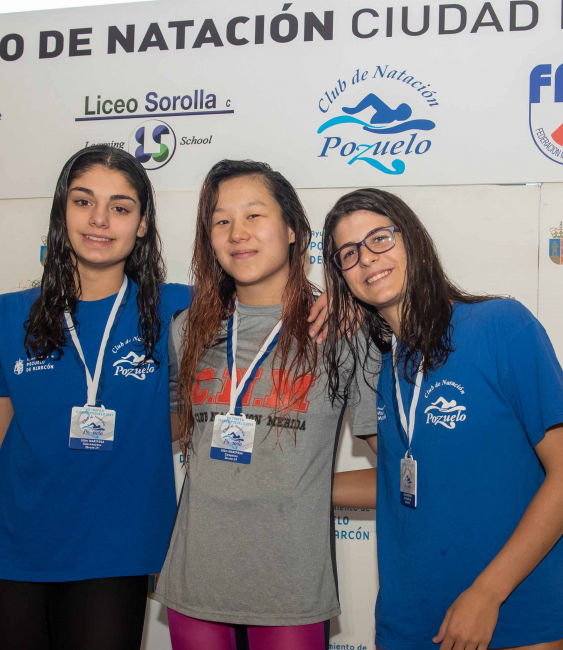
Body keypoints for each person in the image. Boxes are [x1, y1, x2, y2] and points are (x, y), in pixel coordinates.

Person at [321, 188, 563, 650]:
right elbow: (401, 483)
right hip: (411, 620)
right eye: (349, 253)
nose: (366, 258)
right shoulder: (378, 368)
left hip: (513, 612)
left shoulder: (501, 326)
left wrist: (487, 594)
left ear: (413, 240)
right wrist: (289, 490)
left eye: (380, 238)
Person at [0, 145, 192, 649]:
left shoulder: (178, 309)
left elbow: (269, 301)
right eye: (83, 201)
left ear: (142, 224)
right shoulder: (3, 316)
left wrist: (331, 302)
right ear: (61, 211)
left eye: (120, 207)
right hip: (12, 550)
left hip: (116, 550)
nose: (99, 220)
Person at [154, 160, 378, 650]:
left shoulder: (340, 328)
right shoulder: (186, 329)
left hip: (290, 582)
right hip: (195, 577)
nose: (238, 233)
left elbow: (405, 464)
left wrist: (307, 489)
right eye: (221, 220)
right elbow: (167, 428)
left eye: (254, 215)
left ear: (293, 229)